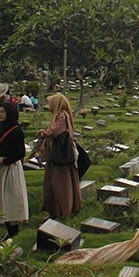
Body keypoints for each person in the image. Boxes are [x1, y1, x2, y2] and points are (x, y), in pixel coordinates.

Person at [36, 92, 83, 220]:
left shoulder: (62, 116)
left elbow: (53, 131)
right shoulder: (60, 116)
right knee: (53, 183)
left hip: (60, 158)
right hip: (58, 156)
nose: (48, 105)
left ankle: (63, 211)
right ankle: (56, 210)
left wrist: (42, 133)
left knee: (60, 184)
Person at [0, 100, 29, 238]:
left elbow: (21, 153)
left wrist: (4, 160)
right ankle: (8, 231)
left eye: (3, 112)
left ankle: (14, 232)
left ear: (9, 113)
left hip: (10, 168)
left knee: (11, 198)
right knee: (1, 199)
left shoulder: (16, 131)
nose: (0, 115)